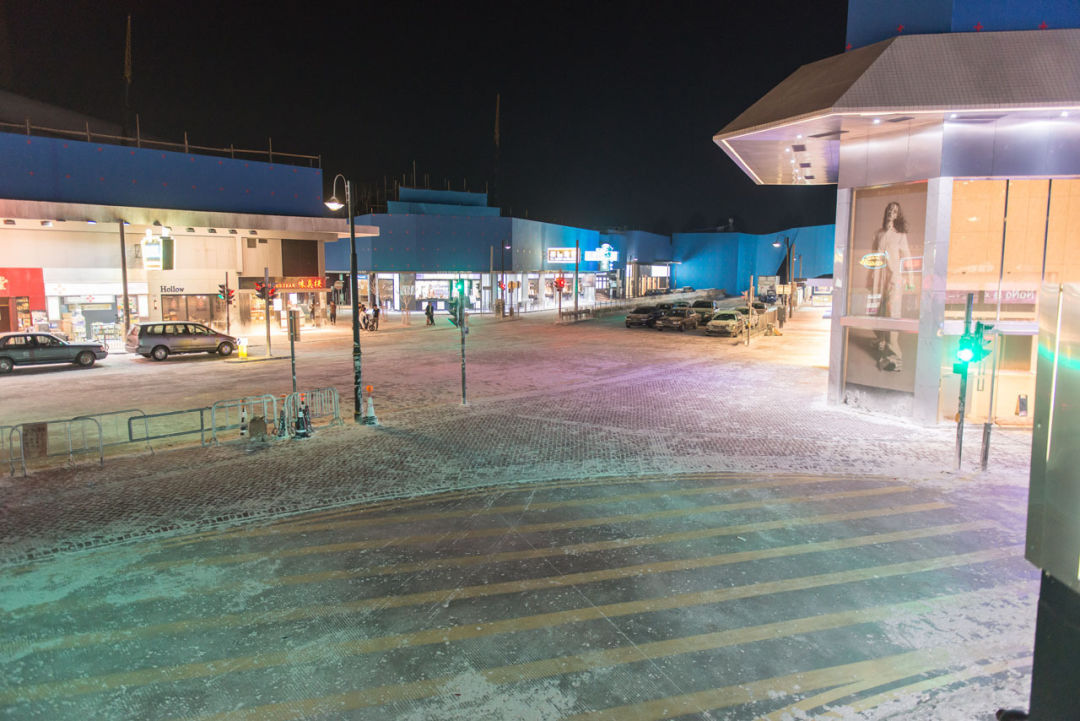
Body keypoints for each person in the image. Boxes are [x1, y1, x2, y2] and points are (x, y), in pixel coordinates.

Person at [870, 201, 912, 372]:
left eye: (895, 211)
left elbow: (907, 257)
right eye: (889, 210)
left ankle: (894, 357)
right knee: (877, 312)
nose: (891, 213)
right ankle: (881, 340)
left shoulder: (900, 236)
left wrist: (910, 279)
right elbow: (873, 256)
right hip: (878, 279)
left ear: (897, 215)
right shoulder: (878, 234)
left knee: (892, 313)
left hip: (894, 279)